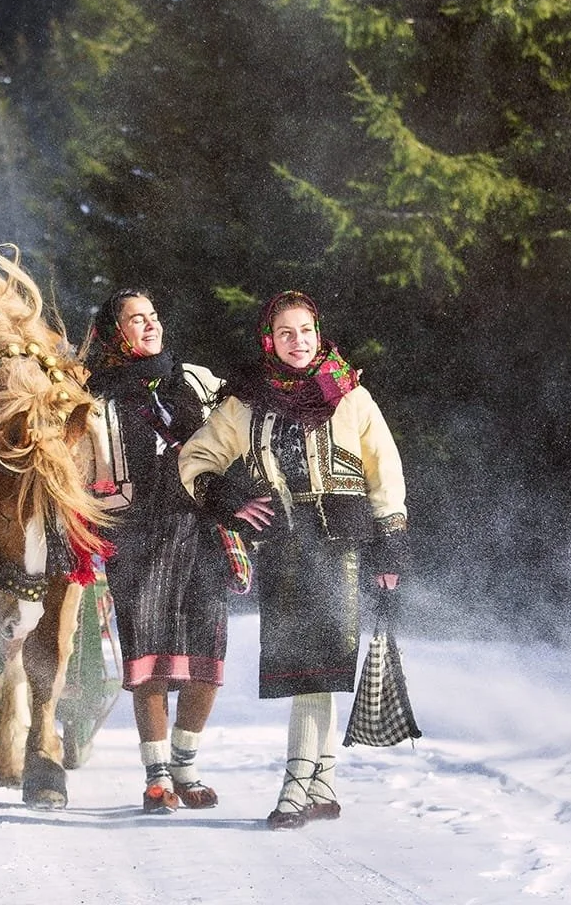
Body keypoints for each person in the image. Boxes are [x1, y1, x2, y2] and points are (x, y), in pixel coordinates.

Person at [177, 290, 409, 830]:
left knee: (316, 667)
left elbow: (386, 472)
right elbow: (195, 459)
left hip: (341, 550)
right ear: (269, 340)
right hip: (283, 549)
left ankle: (295, 787)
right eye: (286, 333)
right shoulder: (247, 402)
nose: (298, 342)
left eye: (305, 330)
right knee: (305, 668)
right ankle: (324, 784)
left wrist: (390, 543)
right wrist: (230, 501)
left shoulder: (350, 395)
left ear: (318, 332)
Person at [83, 289, 230, 814]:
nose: (149, 326)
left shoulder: (197, 380)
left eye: (154, 315)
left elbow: (237, 437)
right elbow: (78, 467)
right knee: (150, 659)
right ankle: (156, 775)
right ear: (113, 332)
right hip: (137, 532)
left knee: (205, 656)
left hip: (204, 530)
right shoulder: (92, 398)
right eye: (135, 319)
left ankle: (187, 767)